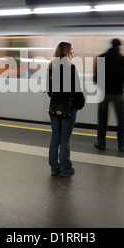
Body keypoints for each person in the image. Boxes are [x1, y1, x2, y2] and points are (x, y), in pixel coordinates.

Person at [47, 42, 85, 177]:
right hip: (68, 109)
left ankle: (54, 169)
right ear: (66, 52)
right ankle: (65, 170)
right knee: (64, 141)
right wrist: (80, 103)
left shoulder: (51, 67)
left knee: (55, 139)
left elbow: (49, 91)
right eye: (72, 50)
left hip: (54, 108)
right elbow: (77, 90)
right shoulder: (71, 67)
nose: (73, 52)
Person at [94, 38, 124, 152]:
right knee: (121, 121)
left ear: (111, 45)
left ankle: (101, 143)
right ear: (119, 46)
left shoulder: (102, 57)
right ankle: (122, 145)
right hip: (118, 94)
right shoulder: (123, 59)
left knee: (102, 119)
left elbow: (96, 78)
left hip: (105, 94)